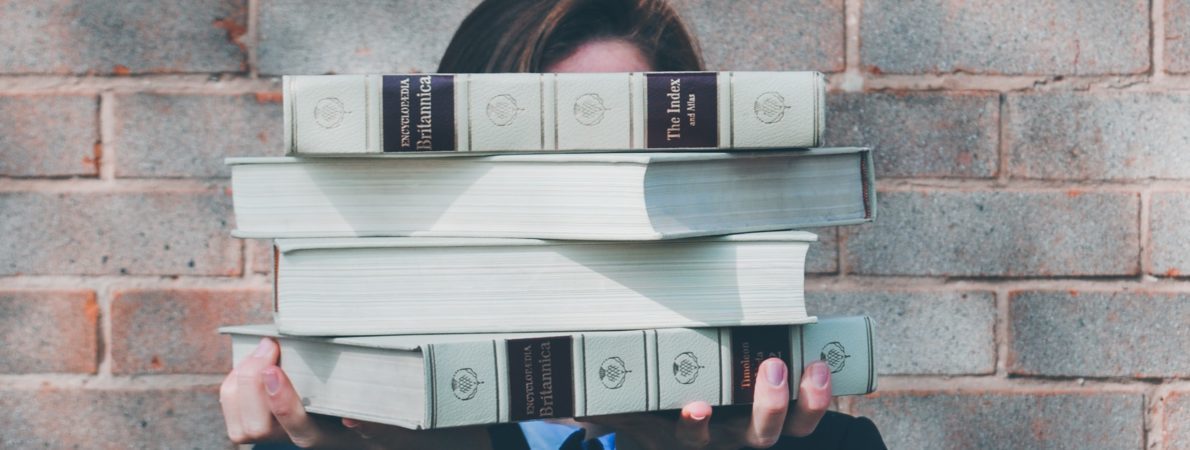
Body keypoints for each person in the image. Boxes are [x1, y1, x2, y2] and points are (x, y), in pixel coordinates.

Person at [220, 0, 886, 448]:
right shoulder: (354, 415)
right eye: (535, 165)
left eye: (622, 163)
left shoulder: (816, 439)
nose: (584, 214)